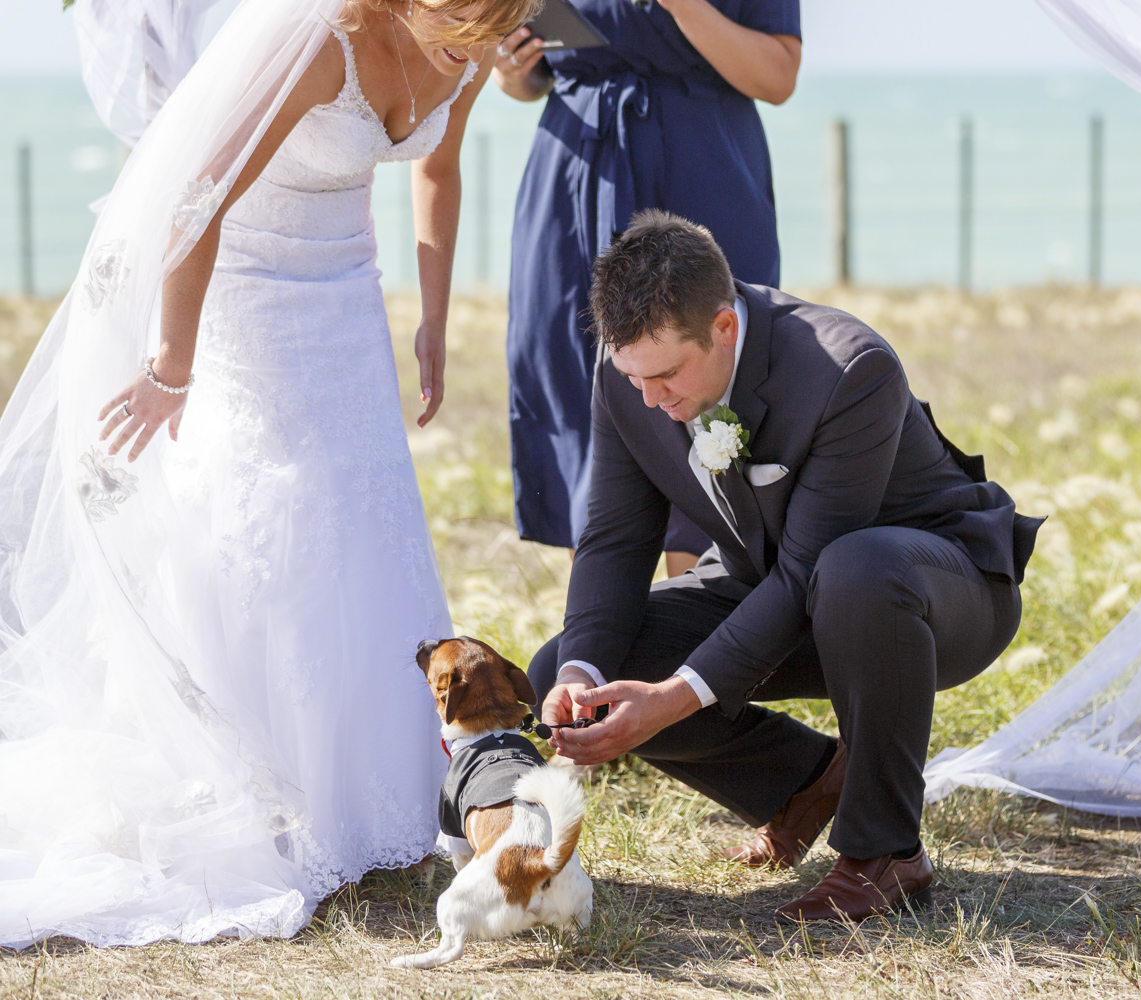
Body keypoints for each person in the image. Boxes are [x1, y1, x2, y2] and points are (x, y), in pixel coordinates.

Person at [0, 0, 527, 948]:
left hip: (347, 296)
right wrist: (171, 363)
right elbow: (197, 196)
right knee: (284, 524)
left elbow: (439, 165)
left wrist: (434, 317)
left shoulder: (479, 33)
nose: (469, 49)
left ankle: (383, 795)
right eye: (455, 24)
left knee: (368, 526)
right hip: (242, 292)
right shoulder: (322, 36)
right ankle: (265, 787)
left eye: (486, 29)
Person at [527, 210, 1042, 921]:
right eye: (633, 375)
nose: (651, 399)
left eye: (668, 374)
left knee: (857, 568)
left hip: (929, 590)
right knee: (569, 663)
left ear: (726, 328)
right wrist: (581, 675)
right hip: (775, 583)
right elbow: (615, 537)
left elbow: (808, 572)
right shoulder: (633, 377)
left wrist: (674, 698)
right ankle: (802, 784)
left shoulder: (848, 369)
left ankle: (885, 852)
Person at [493, 0, 801, 576]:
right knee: (572, 370)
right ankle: (599, 630)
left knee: (708, 376)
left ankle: (698, 624)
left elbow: (779, 75)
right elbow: (530, 72)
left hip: (705, 167)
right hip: (575, 167)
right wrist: (516, 72)